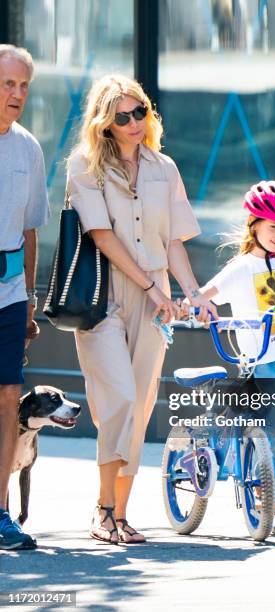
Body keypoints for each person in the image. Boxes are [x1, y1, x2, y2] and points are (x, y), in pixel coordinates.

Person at [66, 74, 216, 544]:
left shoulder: (164, 168)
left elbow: (172, 241)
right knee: (119, 399)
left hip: (157, 300)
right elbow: (102, 236)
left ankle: (119, 513)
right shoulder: (85, 166)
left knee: (141, 402)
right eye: (122, 116)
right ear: (105, 122)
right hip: (103, 297)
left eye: (140, 112)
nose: (133, 122)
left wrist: (191, 292)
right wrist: (153, 288)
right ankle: (103, 506)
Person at [197, 180, 275, 535]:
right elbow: (207, 294)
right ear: (254, 223)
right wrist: (198, 306)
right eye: (273, 227)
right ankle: (267, 501)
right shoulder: (241, 268)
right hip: (263, 357)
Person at [0, 45, 49, 550]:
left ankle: (0, 513)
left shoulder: (28, 148)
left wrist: (31, 297)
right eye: (8, 84)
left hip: (11, 290)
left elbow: (31, 229)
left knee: (9, 397)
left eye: (23, 86)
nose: (17, 95)